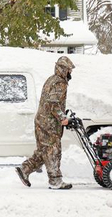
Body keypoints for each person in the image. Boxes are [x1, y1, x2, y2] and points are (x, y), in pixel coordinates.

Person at [16, 56, 75, 190]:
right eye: (69, 70)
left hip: (41, 120)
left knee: (45, 151)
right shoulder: (59, 83)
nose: (70, 73)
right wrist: (62, 118)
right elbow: (53, 103)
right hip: (49, 124)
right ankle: (55, 181)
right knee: (53, 151)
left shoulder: (51, 80)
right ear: (63, 69)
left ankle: (25, 169)